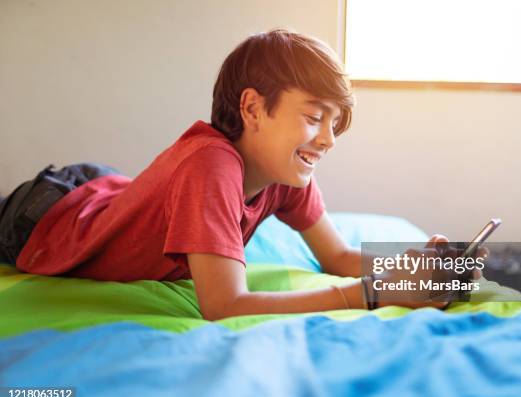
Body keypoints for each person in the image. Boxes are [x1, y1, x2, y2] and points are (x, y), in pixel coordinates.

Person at [0, 29, 476, 320]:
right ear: (252, 107)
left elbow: (335, 254)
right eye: (314, 118)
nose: (328, 139)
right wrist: (373, 294)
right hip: (45, 215)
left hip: (101, 188)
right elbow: (224, 305)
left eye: (335, 124)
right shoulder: (211, 164)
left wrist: (412, 268)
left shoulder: (286, 174)